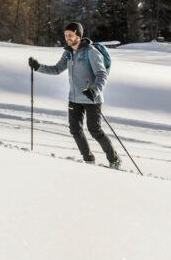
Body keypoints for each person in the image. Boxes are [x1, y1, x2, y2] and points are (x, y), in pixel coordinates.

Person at [29, 23, 121, 168]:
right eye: (66, 35)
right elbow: (57, 69)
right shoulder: (68, 53)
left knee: (95, 131)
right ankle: (88, 159)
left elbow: (102, 74)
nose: (67, 38)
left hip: (92, 98)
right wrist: (38, 67)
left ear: (78, 35)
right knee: (75, 130)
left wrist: (94, 90)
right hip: (74, 98)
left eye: (70, 35)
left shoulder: (90, 51)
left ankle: (114, 159)